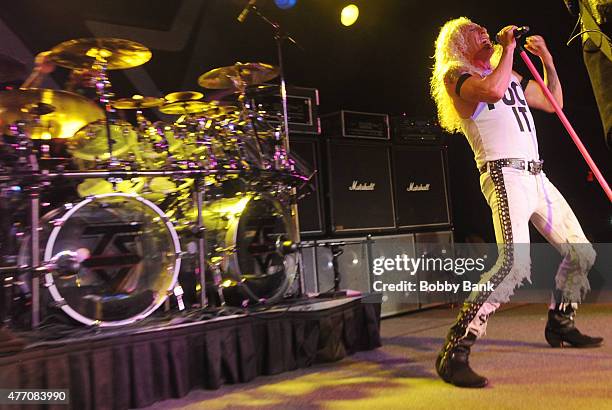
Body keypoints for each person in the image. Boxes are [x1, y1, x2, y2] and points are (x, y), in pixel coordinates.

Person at [430, 17, 602, 388]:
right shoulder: (455, 75)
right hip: (504, 175)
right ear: (457, 43)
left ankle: (561, 323)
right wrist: (508, 48)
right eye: (474, 30)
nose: (484, 33)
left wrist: (548, 62)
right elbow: (491, 92)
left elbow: (554, 103)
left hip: (536, 175)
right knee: (513, 264)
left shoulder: (508, 75)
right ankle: (456, 348)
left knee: (581, 253)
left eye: (483, 29)